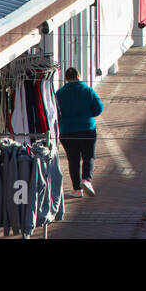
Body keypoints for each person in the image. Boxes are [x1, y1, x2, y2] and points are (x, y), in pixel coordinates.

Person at [55, 68, 104, 198]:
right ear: (79, 75)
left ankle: (77, 189)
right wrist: (87, 115)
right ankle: (87, 180)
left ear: (66, 78)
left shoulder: (59, 93)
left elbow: (55, 112)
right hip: (87, 129)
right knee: (88, 156)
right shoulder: (87, 90)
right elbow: (99, 108)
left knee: (73, 160)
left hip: (67, 131)